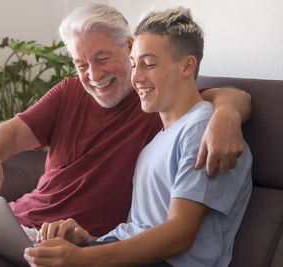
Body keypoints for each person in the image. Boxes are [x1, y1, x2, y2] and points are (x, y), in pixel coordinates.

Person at [0, 3, 251, 267]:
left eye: (103, 58)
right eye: (81, 64)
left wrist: (228, 114)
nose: (92, 74)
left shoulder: (161, 107)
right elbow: (6, 134)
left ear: (128, 46)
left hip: (77, 239)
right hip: (33, 219)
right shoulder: (83, 95)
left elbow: (220, 101)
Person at [23, 6, 252, 267]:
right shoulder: (158, 140)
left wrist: (83, 257)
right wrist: (87, 241)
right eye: (134, 64)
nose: (137, 77)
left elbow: (180, 235)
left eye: (149, 64)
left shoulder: (202, 128)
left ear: (187, 66)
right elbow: (141, 229)